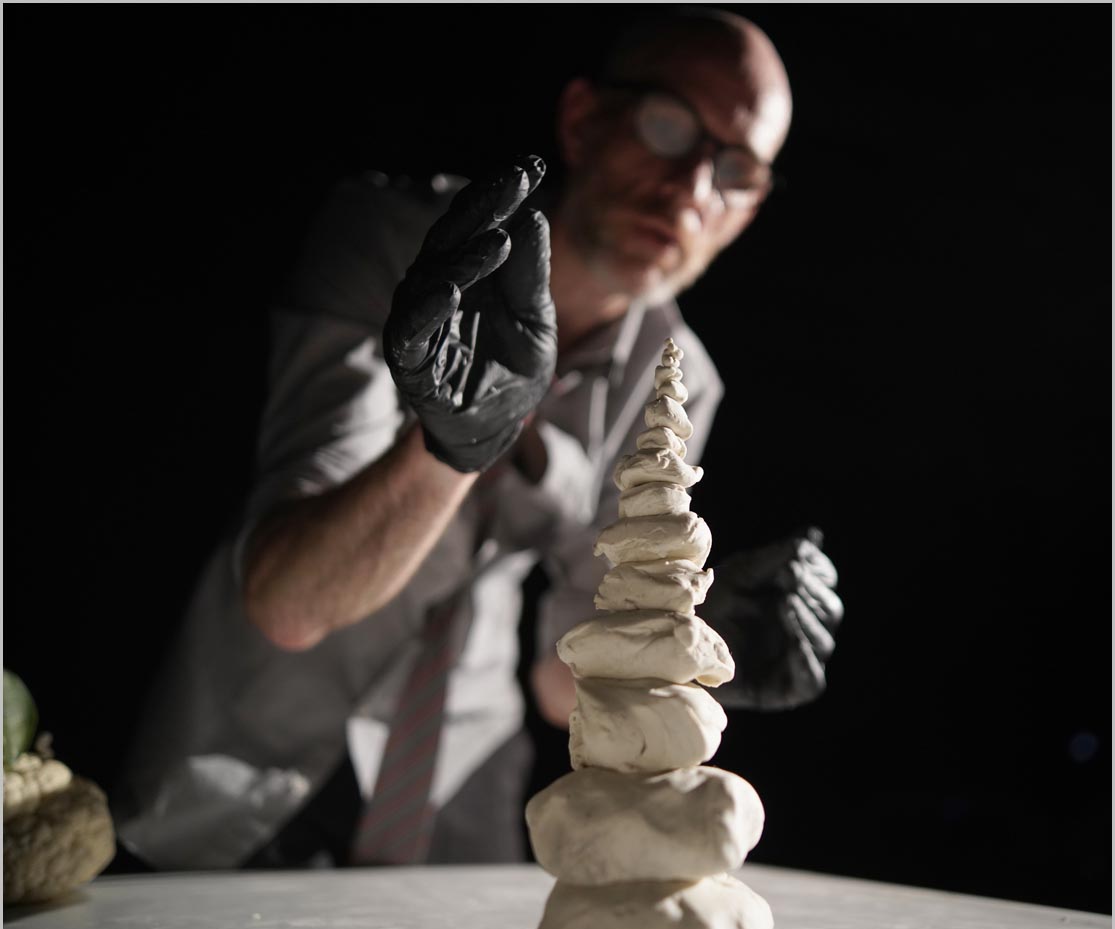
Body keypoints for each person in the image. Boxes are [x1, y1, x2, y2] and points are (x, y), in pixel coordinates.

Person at [113, 8, 843, 871]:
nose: (692, 188)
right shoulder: (398, 245)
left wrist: (688, 636)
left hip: (451, 817)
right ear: (583, 119)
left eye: (737, 169)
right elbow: (289, 603)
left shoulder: (679, 378)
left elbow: (562, 685)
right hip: (232, 788)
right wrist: (449, 447)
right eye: (667, 126)